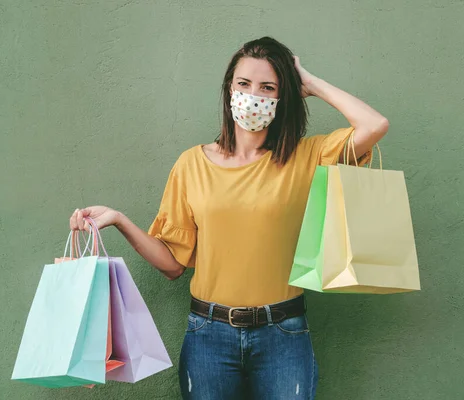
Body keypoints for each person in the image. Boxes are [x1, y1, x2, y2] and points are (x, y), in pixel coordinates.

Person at [69, 36, 388, 399]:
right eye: (244, 84)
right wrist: (120, 220)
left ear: (283, 97)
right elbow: (173, 264)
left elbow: (374, 124)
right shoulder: (191, 164)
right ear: (229, 90)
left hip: (283, 333)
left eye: (268, 87)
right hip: (208, 335)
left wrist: (310, 84)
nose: (254, 95)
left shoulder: (306, 156)